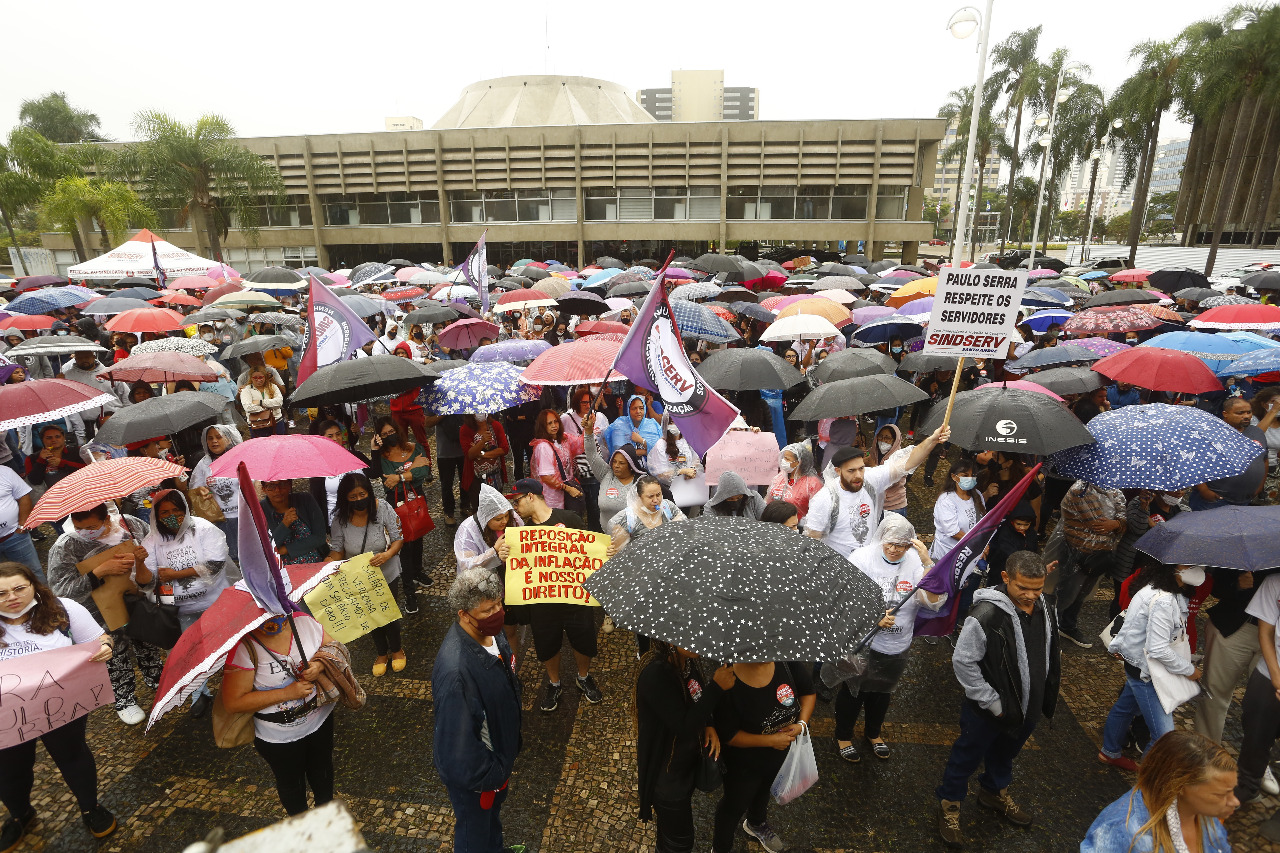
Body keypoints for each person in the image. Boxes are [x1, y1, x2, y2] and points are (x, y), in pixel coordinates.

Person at [936, 551, 1060, 849]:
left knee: (1005, 754)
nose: (1031, 595)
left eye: (1038, 588)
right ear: (1006, 578)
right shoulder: (985, 615)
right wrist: (992, 702)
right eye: (1023, 588)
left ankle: (993, 791)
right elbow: (964, 662)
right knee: (966, 756)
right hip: (988, 710)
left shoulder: (1045, 605)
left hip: (1027, 705)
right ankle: (949, 805)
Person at [0, 562, 119, 848]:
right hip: (6, 715)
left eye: (19, 588)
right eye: (1, 593)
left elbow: (102, 639)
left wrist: (105, 647)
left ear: (33, 585)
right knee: (8, 768)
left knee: (72, 755)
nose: (12, 597)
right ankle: (20, 814)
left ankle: (90, 807)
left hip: (61, 706)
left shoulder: (62, 609)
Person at [833, 515, 945, 763]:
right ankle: (843, 735)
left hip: (896, 645)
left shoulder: (915, 561)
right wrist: (872, 615)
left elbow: (933, 602)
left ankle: (873, 733)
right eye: (890, 544)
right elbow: (843, 596)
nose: (895, 550)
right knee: (853, 691)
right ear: (882, 538)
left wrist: (928, 563)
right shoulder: (862, 558)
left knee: (882, 692)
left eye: (902, 545)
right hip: (862, 643)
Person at [433, 569, 524, 853]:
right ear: (464, 614)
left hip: (497, 762)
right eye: (488, 610)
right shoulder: (457, 673)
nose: (498, 613)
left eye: (499, 604)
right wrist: (492, 774)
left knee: (490, 824)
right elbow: (457, 750)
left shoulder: (493, 635)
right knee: (474, 836)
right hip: (479, 779)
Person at [47, 503, 161, 726]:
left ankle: (156, 677)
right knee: (114, 654)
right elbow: (61, 591)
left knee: (147, 641)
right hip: (98, 612)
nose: (86, 533)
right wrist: (99, 572)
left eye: (92, 526)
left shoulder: (132, 526)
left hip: (136, 598)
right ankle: (124, 698)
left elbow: (157, 555)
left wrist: (141, 561)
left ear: (107, 519)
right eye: (80, 527)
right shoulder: (66, 545)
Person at [221, 610, 337, 816]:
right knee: (291, 782)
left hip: (320, 719)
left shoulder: (303, 622)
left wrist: (318, 666)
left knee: (323, 771)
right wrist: (286, 693)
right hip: (278, 737)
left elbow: (333, 647)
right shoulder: (244, 646)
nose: (274, 622)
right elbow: (233, 702)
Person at [1098, 563, 1204, 771]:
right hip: (1148, 673)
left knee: (1125, 708)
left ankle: (1109, 752)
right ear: (1173, 568)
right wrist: (1190, 670)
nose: (1195, 568)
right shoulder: (1164, 600)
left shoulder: (1153, 589)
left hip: (1139, 666)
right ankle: (1148, 778)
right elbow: (1158, 649)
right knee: (1163, 736)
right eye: (1189, 564)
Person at [510, 479, 604, 710]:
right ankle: (554, 683)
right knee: (546, 643)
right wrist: (505, 553)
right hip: (542, 602)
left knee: (583, 639)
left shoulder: (570, 519)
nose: (515, 507)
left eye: (517, 500)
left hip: (574, 597)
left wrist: (605, 551)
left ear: (531, 496)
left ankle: (583, 677)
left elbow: (587, 553)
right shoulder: (522, 534)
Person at [636, 639, 734, 853]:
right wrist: (717, 687)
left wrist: (709, 723)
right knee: (680, 844)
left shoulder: (685, 662)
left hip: (684, 768)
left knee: (669, 839)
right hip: (668, 780)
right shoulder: (657, 674)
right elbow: (684, 725)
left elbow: (696, 698)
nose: (700, 641)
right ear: (669, 639)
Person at [141, 489, 231, 717]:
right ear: (156, 516)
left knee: (228, 646)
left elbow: (215, 565)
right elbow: (147, 581)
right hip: (180, 610)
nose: (172, 516)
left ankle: (237, 685)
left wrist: (176, 574)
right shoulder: (151, 541)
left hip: (215, 602)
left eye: (176, 511)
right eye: (165, 512)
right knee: (188, 652)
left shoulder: (203, 529)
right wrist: (138, 562)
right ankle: (198, 694)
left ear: (185, 510)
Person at [711, 657, 815, 853]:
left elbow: (808, 692)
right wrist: (770, 741)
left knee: (764, 790)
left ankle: (756, 823)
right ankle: (720, 848)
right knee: (734, 805)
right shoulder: (728, 680)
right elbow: (728, 735)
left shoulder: (787, 663)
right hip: (742, 765)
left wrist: (801, 724)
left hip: (779, 757)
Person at [807, 425, 951, 559]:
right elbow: (813, 540)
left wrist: (932, 440)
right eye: (851, 471)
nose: (858, 475)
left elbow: (907, 463)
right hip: (841, 568)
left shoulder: (869, 480)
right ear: (838, 471)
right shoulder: (825, 499)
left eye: (861, 468)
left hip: (867, 563)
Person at [1082, 730, 1237, 853]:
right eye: (1221, 794)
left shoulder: (1201, 812)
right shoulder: (1121, 831)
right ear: (1181, 787)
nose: (1235, 802)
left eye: (1232, 791)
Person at [326, 472, 406, 677]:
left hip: (386, 572)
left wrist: (387, 554)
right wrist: (329, 563)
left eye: (362, 494)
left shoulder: (383, 509)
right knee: (369, 614)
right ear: (345, 499)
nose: (358, 500)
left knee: (388, 613)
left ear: (369, 493)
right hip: (358, 576)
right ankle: (381, 653)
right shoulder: (340, 519)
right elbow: (338, 550)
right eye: (352, 497)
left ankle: (397, 649)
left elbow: (398, 538)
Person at [1228, 569, 1280, 839]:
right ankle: (1247, 785)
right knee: (1255, 732)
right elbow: (1266, 632)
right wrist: (1277, 679)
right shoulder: (1275, 582)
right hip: (1269, 673)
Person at [453, 483, 527, 653]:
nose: (504, 521)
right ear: (486, 518)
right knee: (483, 633)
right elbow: (466, 565)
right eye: (498, 519)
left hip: (508, 589)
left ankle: (512, 668)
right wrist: (493, 552)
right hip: (482, 595)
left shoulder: (513, 519)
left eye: (506, 516)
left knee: (509, 630)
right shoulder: (467, 531)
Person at [1055, 479, 1127, 649]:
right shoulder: (1078, 490)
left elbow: (1122, 516)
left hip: (1099, 554)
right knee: (1066, 590)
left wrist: (1116, 523)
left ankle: (1067, 625)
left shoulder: (1113, 490)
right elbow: (1097, 523)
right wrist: (1114, 523)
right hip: (1075, 550)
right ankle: (1052, 624)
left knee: (1083, 591)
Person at [370, 416, 433, 610]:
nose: (390, 436)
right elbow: (383, 478)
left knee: (419, 535)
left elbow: (425, 472)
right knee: (404, 545)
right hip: (395, 503)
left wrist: (399, 477)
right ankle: (409, 593)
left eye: (392, 431)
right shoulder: (382, 457)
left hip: (416, 498)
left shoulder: (414, 447)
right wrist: (374, 449)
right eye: (384, 434)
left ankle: (417, 571)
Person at [1192, 397, 1267, 510]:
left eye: (1249, 412)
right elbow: (1194, 461)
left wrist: (1260, 486)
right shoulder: (1211, 434)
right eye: (1240, 413)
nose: (1246, 416)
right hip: (1215, 500)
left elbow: (1264, 459)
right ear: (1225, 414)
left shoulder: (1257, 432)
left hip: (1245, 500)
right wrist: (1204, 490)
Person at [187, 424, 244, 563]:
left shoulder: (240, 459)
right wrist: (201, 490)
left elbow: (256, 484)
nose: (214, 441)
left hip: (243, 516)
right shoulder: (204, 464)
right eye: (210, 438)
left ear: (229, 439)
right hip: (220, 519)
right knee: (230, 557)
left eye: (218, 437)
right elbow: (195, 487)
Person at [583, 412, 643, 535]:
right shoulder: (606, 474)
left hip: (633, 539)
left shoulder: (641, 482)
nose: (616, 465)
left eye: (621, 463)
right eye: (614, 461)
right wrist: (588, 431)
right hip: (606, 537)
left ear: (631, 465)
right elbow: (592, 455)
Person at [307, 419, 373, 529]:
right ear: (322, 439)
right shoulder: (319, 465)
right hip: (337, 522)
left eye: (338, 434)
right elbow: (317, 498)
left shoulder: (355, 456)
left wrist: (374, 449)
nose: (335, 439)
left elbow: (374, 473)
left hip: (364, 515)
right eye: (330, 436)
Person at [561, 388, 609, 530]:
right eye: (583, 403)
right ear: (576, 403)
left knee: (595, 506)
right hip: (576, 470)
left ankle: (596, 531)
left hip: (596, 468)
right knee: (578, 508)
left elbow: (606, 440)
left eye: (590, 402)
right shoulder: (566, 419)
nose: (588, 405)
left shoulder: (600, 417)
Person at [260, 481, 328, 567]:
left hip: (316, 565)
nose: (277, 490)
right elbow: (265, 548)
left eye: (282, 484)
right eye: (270, 486)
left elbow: (320, 537)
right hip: (282, 571)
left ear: (289, 485)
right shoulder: (259, 511)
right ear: (263, 489)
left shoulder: (306, 500)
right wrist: (284, 525)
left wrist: (285, 549)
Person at [529, 407, 585, 513]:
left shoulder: (564, 438)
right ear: (543, 426)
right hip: (551, 495)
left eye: (556, 422)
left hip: (566, 489)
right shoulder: (543, 447)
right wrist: (567, 488)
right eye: (549, 423)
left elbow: (581, 444)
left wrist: (588, 428)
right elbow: (546, 477)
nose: (554, 426)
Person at [930, 459, 986, 561]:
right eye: (965, 475)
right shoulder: (946, 500)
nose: (970, 478)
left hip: (969, 556)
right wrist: (977, 544)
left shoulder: (977, 495)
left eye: (972, 475)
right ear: (954, 477)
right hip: (947, 556)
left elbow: (983, 522)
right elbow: (953, 532)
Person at [647, 422, 703, 512]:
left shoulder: (688, 441)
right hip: (670, 492)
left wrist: (692, 470)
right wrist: (680, 471)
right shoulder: (661, 445)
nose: (675, 425)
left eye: (677, 421)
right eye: (671, 422)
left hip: (689, 489)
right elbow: (659, 474)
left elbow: (696, 461)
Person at [460, 413, 509, 510]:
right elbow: (469, 454)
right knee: (479, 509)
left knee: (497, 508)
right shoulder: (465, 429)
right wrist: (482, 441)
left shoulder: (495, 426)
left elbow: (504, 449)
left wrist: (482, 455)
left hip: (495, 476)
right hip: (476, 480)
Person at [766, 442, 822, 525]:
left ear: (799, 462)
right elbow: (768, 500)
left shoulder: (812, 484)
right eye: (783, 458)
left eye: (787, 459)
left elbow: (818, 513)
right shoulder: (780, 477)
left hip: (797, 527)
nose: (783, 461)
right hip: (774, 524)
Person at [0, 465, 40, 579]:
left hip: (15, 536)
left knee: (32, 573)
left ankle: (43, 597)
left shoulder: (5, 472)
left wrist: (22, 526)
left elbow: (24, 496)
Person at [389, 341, 430, 446]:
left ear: (408, 354)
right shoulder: (391, 370)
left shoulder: (416, 368)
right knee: (401, 441)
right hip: (397, 410)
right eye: (398, 353)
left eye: (403, 353)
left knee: (421, 439)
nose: (400, 355)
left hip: (414, 409)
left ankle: (427, 461)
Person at [25, 423, 84, 491]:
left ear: (64, 437)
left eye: (57, 436)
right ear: (42, 440)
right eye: (49, 438)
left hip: (78, 489)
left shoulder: (78, 451)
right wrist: (41, 461)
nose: (54, 440)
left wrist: (62, 463)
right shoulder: (31, 458)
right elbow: (34, 481)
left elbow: (87, 469)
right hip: (50, 496)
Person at [866, 425, 907, 518]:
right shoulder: (872, 452)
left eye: (887, 438)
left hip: (894, 506)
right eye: (880, 437)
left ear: (894, 440)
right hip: (876, 504)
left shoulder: (899, 457)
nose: (883, 440)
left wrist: (872, 465)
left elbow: (890, 479)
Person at [240, 369, 287, 437]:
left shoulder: (273, 386)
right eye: (255, 378)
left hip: (276, 421)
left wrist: (261, 402)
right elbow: (248, 408)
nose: (258, 380)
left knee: (279, 444)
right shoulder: (246, 390)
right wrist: (268, 409)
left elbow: (279, 402)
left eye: (261, 377)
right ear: (251, 378)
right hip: (256, 424)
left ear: (265, 377)